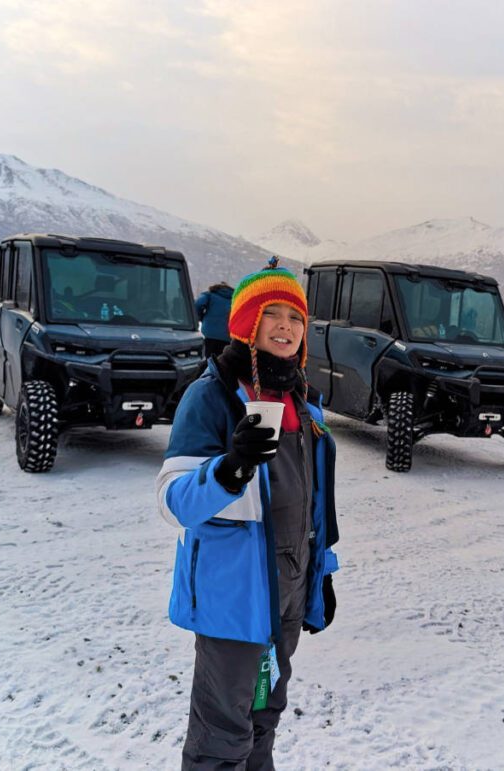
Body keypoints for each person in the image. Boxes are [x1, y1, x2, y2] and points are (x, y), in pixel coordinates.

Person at [156, 258, 339, 770]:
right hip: (233, 597)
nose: (285, 326)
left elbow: (310, 504)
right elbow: (174, 501)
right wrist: (230, 467)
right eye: (272, 314)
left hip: (289, 592)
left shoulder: (302, 401)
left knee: (265, 714)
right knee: (222, 735)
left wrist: (321, 573)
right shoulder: (212, 395)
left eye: (295, 317)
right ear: (246, 323)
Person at [195, 281, 235, 358]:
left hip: (209, 334)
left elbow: (198, 303)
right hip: (227, 336)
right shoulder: (234, 299)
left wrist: (201, 317)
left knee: (208, 359)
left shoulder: (210, 295)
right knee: (221, 361)